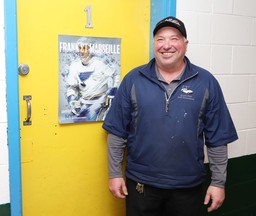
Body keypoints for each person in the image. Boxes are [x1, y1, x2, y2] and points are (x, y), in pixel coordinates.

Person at [102, 16, 238, 216]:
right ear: (154, 44)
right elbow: (117, 132)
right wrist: (114, 173)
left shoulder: (206, 82)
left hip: (188, 187)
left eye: (174, 38)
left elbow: (217, 139)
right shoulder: (133, 79)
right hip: (141, 185)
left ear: (185, 44)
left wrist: (218, 182)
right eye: (160, 39)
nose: (166, 45)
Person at [66, 37, 119, 122]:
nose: (81, 51)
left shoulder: (101, 63)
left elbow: (116, 75)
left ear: (90, 49)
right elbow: (71, 87)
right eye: (80, 48)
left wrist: (113, 91)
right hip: (83, 103)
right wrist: (73, 100)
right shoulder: (74, 66)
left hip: (100, 102)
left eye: (84, 48)